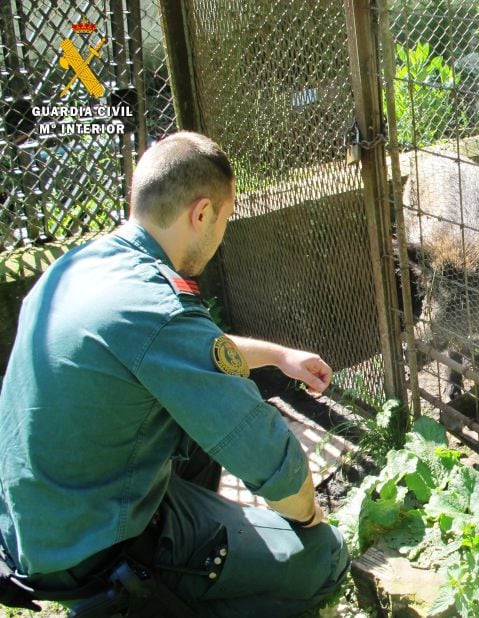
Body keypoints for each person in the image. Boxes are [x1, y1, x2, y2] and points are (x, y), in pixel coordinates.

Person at [0, 131, 349, 616]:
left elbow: (185, 352)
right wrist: (310, 518)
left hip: (42, 524)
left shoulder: (82, 267)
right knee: (324, 559)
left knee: (193, 432)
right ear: (201, 213)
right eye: (226, 218)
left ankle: (185, 565)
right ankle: (153, 597)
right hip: (94, 550)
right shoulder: (157, 305)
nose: (222, 233)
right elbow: (270, 457)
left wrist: (277, 355)